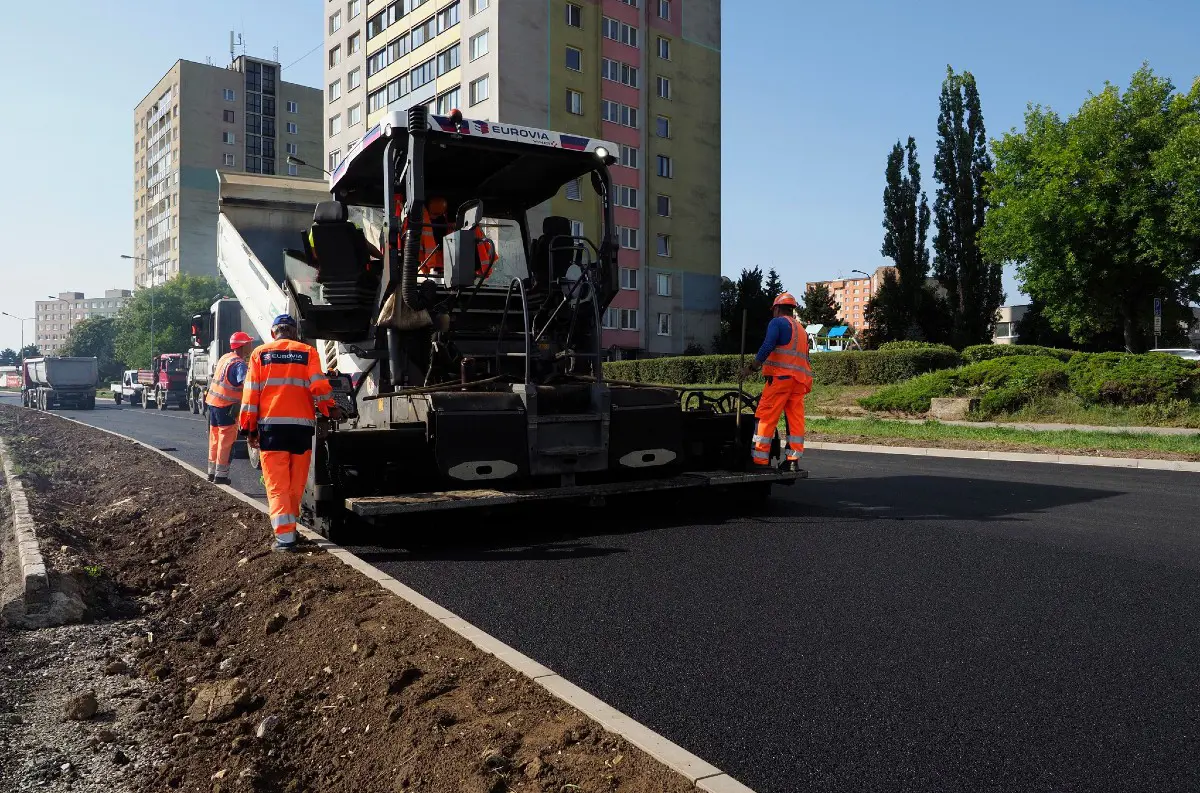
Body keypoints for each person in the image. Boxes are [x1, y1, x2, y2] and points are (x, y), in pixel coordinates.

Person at [238, 314, 340, 552]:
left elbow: (251, 394)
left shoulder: (259, 355)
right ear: (294, 333)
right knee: (295, 483)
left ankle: (285, 539)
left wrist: (249, 427)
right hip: (301, 429)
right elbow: (319, 386)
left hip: (271, 429)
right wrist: (330, 409)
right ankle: (290, 529)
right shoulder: (307, 352)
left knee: (277, 484)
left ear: (274, 333)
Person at [740, 292, 812, 471]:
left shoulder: (777, 322)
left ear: (777, 309)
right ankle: (793, 461)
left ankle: (760, 460)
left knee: (765, 416)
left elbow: (767, 345)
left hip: (780, 379)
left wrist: (751, 368)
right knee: (795, 419)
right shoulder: (801, 329)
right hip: (799, 382)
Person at [395, 194, 497, 279]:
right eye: (435, 213)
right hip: (429, 266)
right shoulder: (415, 225)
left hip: (446, 268)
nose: (437, 216)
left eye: (439, 214)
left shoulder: (463, 226)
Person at [205, 331, 255, 484]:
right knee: (226, 441)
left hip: (213, 404)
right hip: (226, 407)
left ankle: (211, 473)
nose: (251, 346)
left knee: (214, 438)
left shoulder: (225, 358)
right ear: (243, 346)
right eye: (249, 343)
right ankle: (221, 475)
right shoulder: (239, 364)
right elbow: (246, 384)